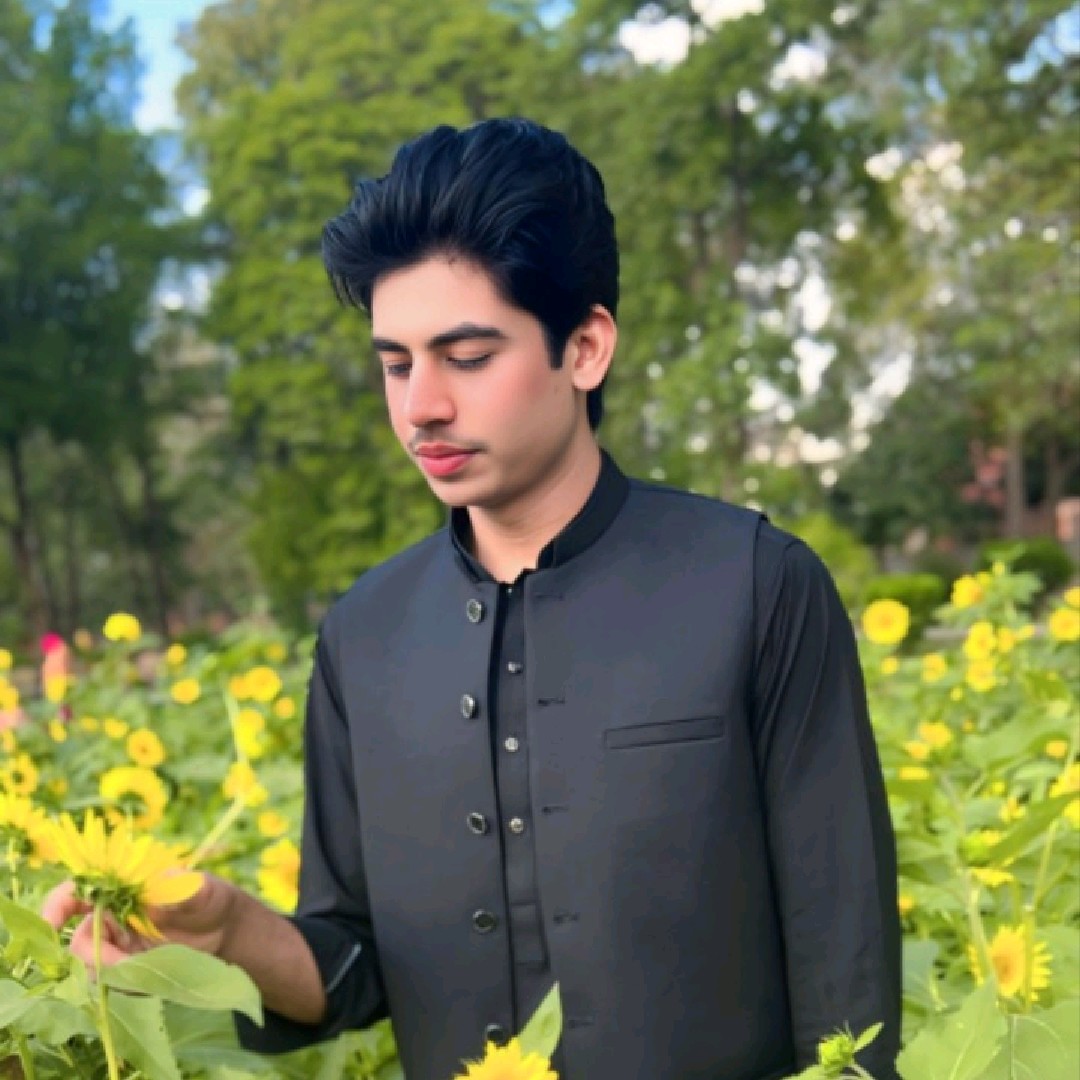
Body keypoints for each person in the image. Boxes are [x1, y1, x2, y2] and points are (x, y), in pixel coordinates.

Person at [45, 118, 902, 1080]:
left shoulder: (756, 586)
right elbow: (356, 966)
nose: (421, 406)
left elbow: (848, 980)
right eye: (396, 363)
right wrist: (227, 932)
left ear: (585, 347)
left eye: (467, 356)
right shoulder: (363, 637)